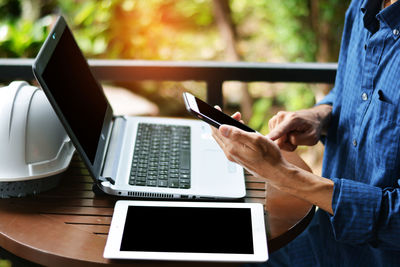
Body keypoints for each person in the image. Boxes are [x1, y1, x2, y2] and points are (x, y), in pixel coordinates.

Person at [211, 0, 400, 265]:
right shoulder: (361, 7)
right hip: (326, 231)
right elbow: (351, 91)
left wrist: (283, 174)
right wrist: (320, 115)